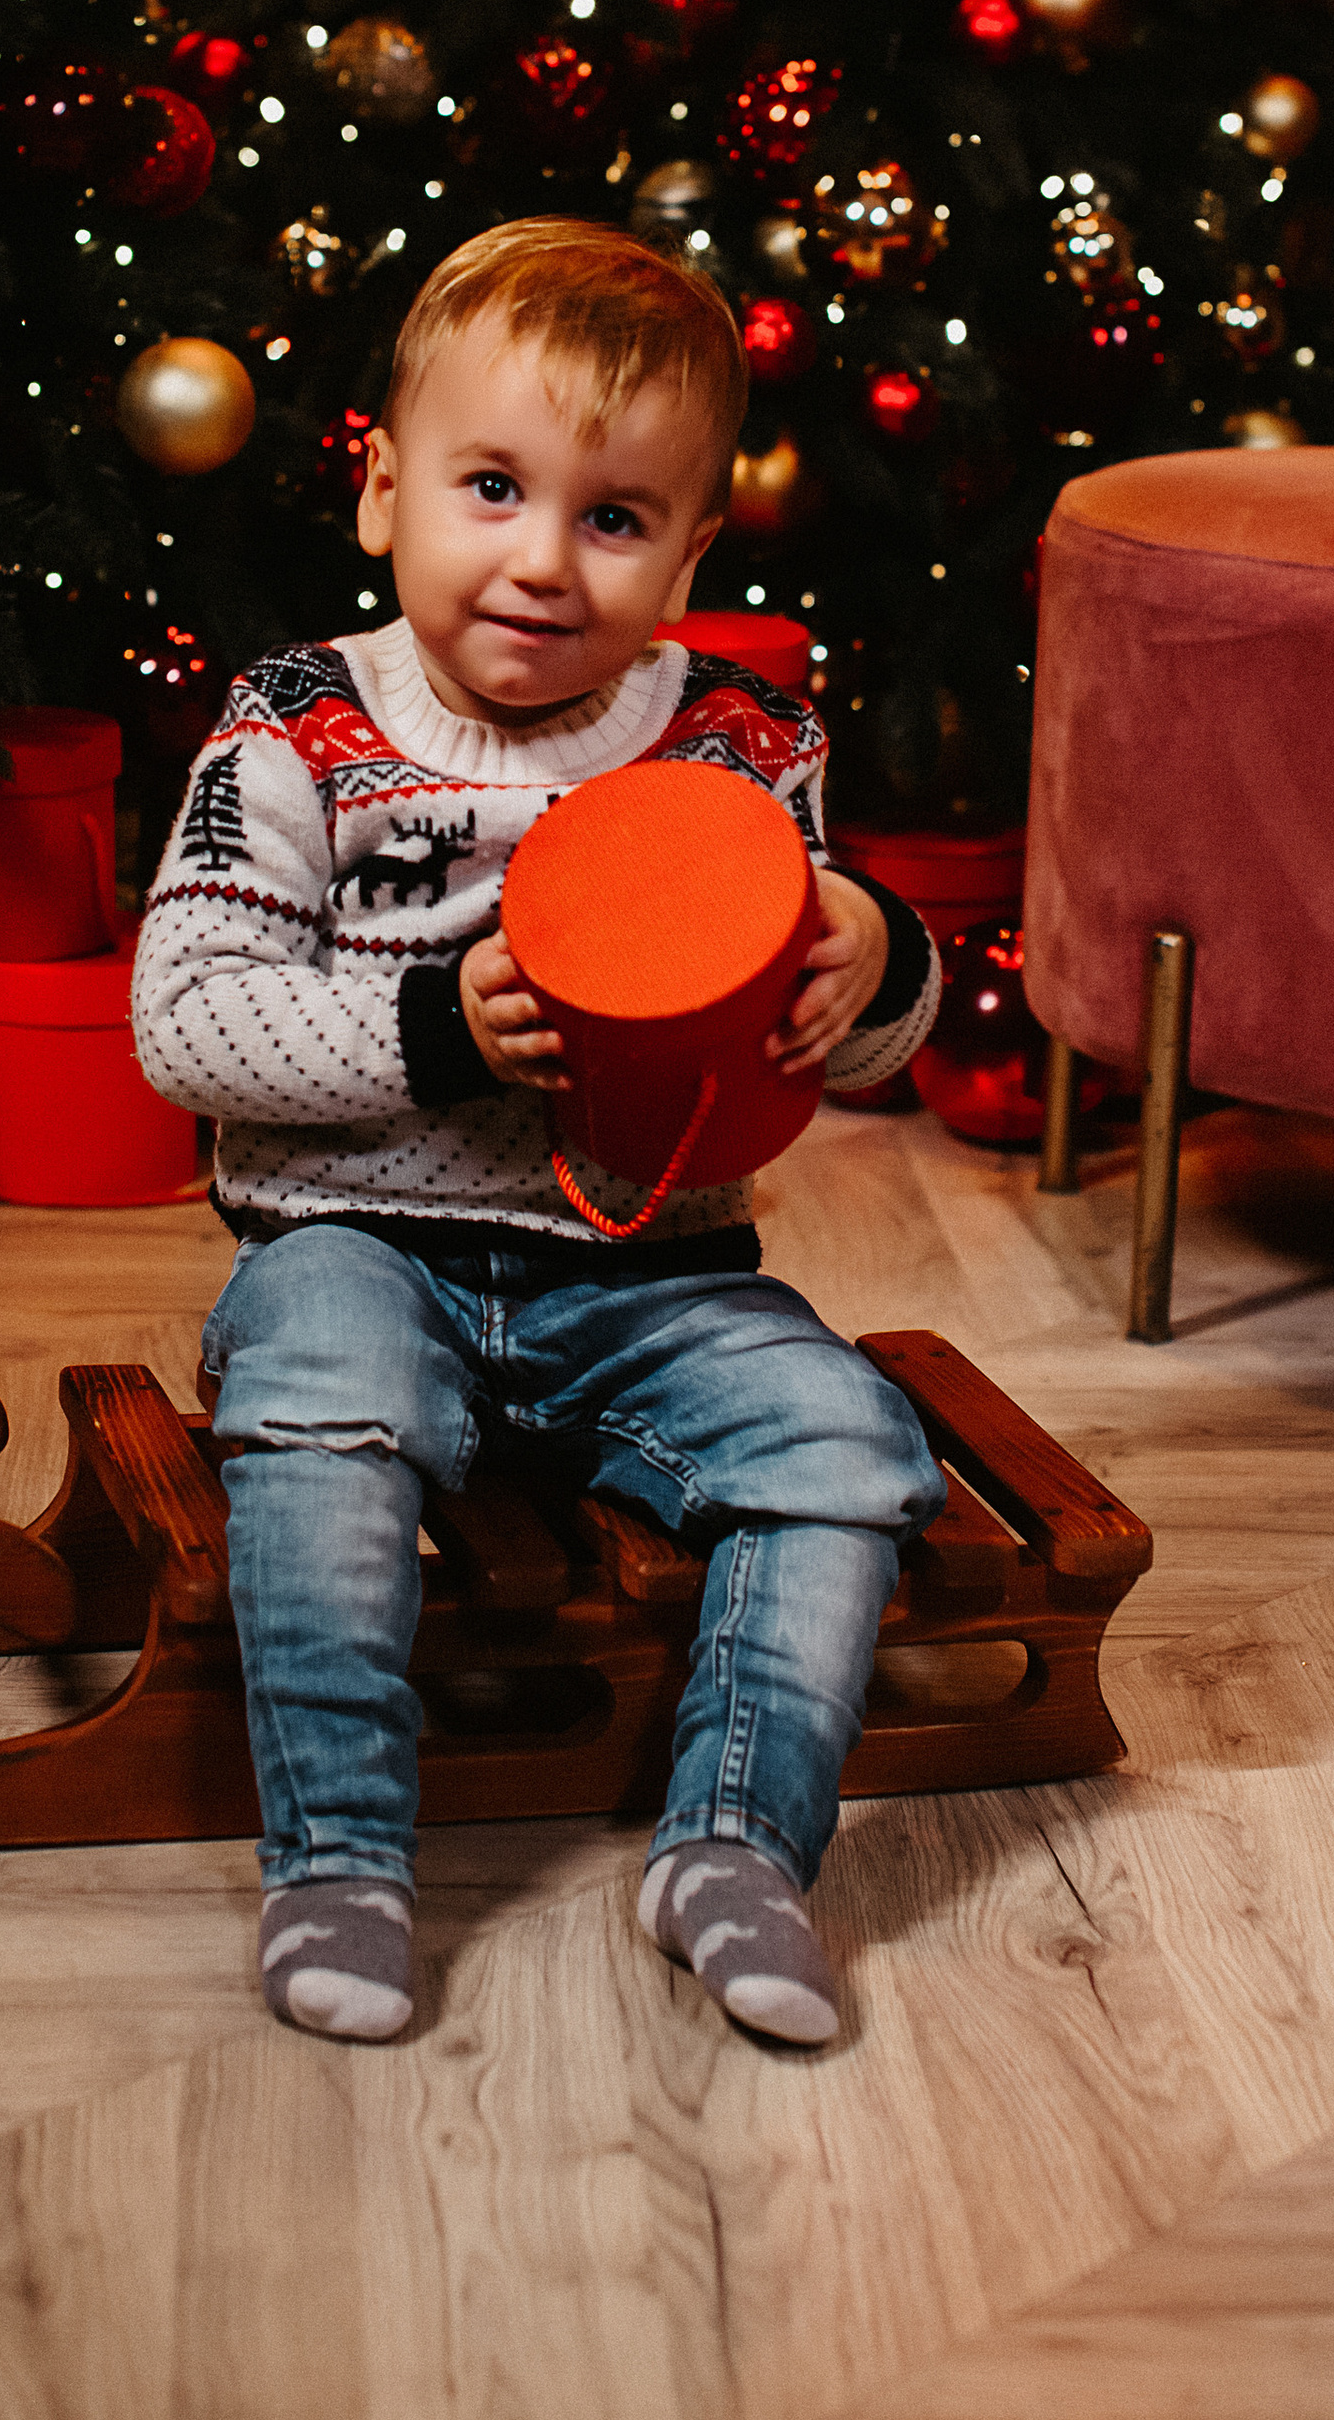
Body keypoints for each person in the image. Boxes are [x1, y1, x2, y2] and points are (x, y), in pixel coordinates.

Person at [132, 219, 943, 2050]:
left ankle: (734, 1845)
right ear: (381, 490)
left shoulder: (739, 750)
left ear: (690, 553)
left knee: (846, 1439)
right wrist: (440, 1024)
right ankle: (340, 1856)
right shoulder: (296, 727)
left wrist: (873, 959)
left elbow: (850, 1046)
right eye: (491, 488)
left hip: (651, 1272)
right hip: (354, 1245)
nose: (540, 560)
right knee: (325, 1410)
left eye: (614, 517)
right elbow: (185, 1019)